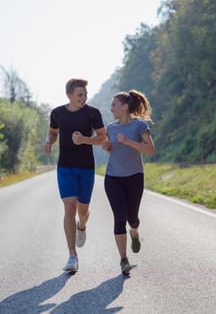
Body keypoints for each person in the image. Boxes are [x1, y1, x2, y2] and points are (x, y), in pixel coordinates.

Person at [44, 78, 107, 272]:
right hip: (65, 167)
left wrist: (84, 140)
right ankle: (72, 256)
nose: (84, 97)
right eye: (80, 94)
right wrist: (49, 141)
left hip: (86, 167)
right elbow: (53, 132)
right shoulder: (57, 113)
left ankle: (82, 226)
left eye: (85, 94)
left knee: (83, 211)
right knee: (69, 207)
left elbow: (102, 137)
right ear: (69, 95)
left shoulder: (92, 113)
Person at [102, 89, 155, 274]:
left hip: (134, 177)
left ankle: (134, 232)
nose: (111, 109)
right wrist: (107, 147)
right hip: (113, 178)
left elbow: (150, 150)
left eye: (114, 105)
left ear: (125, 107)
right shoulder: (111, 128)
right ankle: (123, 259)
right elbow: (111, 149)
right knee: (119, 217)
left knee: (132, 218)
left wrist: (128, 141)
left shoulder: (139, 126)